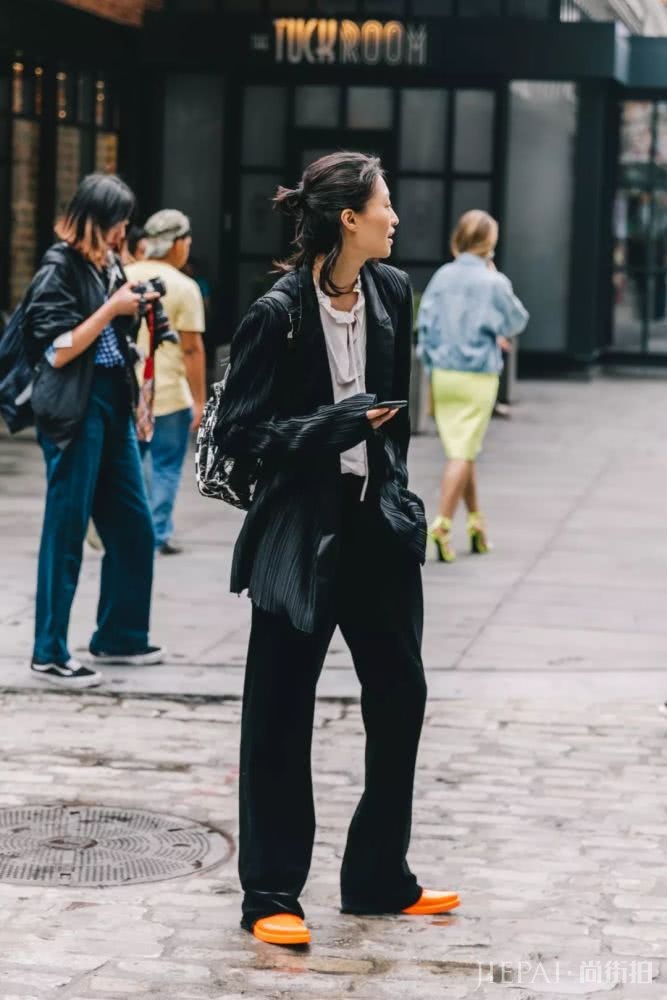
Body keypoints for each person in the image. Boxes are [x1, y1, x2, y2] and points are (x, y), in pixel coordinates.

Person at [214, 151, 461, 947]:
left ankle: (377, 879)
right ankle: (271, 893)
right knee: (280, 710)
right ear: (349, 218)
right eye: (385, 204)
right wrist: (336, 425)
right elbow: (238, 434)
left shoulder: (391, 289)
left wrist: (399, 499)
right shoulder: (276, 312)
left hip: (375, 526)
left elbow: (399, 415)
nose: (396, 217)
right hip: (301, 531)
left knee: (402, 697)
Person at [23, 173, 164, 689]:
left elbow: (114, 333)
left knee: (134, 527)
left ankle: (120, 635)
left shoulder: (108, 262)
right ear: (96, 220)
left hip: (112, 401)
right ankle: (49, 652)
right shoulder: (58, 267)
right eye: (119, 222)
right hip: (73, 409)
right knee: (66, 532)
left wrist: (140, 308)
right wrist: (112, 309)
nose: (123, 231)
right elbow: (56, 348)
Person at [417, 210, 529, 563]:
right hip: (478, 375)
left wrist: (432, 362)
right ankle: (443, 523)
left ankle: (477, 526)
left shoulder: (442, 276)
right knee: (463, 452)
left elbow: (425, 324)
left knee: (464, 450)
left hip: (443, 375)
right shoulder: (493, 282)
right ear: (489, 243)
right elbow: (517, 320)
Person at [126, 210, 206, 555]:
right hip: (170, 393)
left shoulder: (123, 276)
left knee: (133, 462)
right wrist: (200, 400)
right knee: (166, 466)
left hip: (125, 391)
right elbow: (191, 349)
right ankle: (155, 534)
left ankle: (135, 529)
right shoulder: (184, 287)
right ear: (176, 244)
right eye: (186, 241)